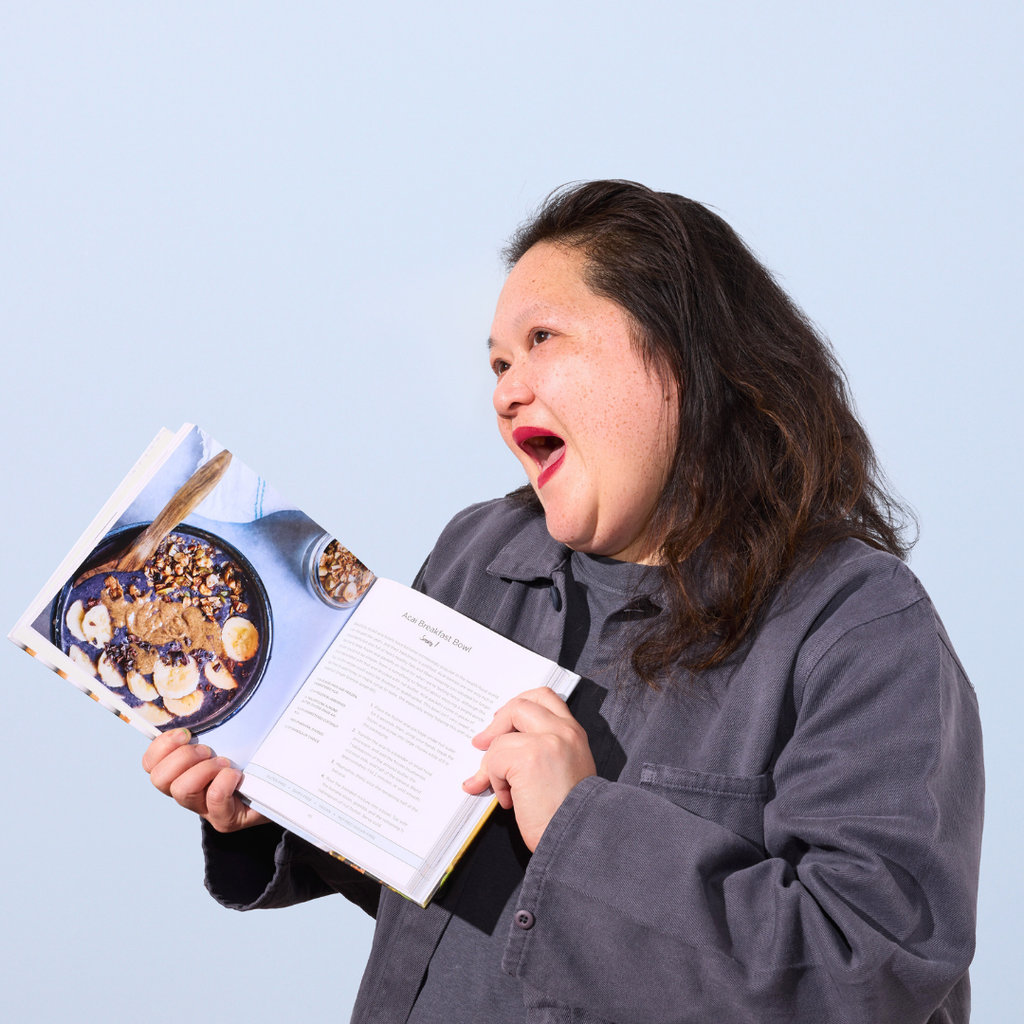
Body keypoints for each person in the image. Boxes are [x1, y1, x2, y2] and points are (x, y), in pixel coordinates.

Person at [143, 180, 984, 1023]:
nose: (505, 391)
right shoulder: (477, 556)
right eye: (499, 363)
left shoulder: (856, 625)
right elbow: (456, 908)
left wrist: (580, 828)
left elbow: (866, 972)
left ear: (683, 354)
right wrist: (279, 803)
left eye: (542, 339)